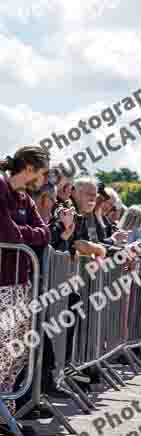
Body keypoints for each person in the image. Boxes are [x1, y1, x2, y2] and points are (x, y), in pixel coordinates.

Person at [0, 146, 51, 420]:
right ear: (29, 168)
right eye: (43, 173)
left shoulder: (24, 198)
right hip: (2, 285)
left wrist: (25, 234)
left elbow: (45, 233)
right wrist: (28, 234)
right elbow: (6, 232)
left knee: (20, 351)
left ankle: (4, 415)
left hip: (21, 283)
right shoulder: (0, 189)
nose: (44, 180)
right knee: (4, 350)